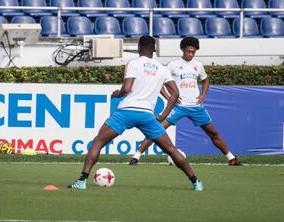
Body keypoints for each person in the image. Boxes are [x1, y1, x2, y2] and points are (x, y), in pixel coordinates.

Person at [68, 35, 203, 191]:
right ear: (154, 49)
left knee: (98, 141)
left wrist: (117, 93)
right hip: (147, 115)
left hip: (127, 111)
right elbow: (175, 94)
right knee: (171, 149)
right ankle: (196, 182)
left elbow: (126, 88)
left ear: (139, 48)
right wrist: (164, 115)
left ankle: (82, 181)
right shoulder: (162, 68)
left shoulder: (134, 63)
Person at [129, 37, 241, 166]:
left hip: (196, 107)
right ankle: (136, 157)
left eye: (193, 52)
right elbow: (159, 83)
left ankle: (231, 158)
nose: (190, 54)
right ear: (182, 49)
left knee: (213, 133)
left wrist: (203, 95)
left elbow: (205, 80)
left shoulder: (197, 65)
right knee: (157, 129)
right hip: (178, 107)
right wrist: (169, 97)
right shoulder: (173, 65)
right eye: (188, 51)